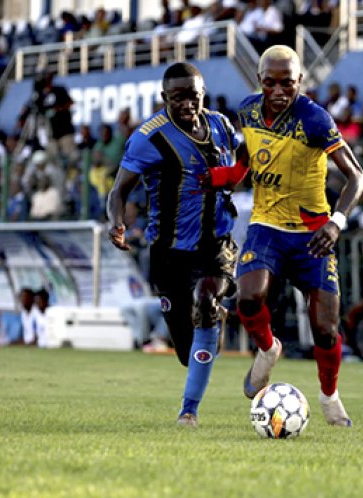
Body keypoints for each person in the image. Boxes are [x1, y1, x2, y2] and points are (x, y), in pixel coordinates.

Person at [208, 46, 363, 427]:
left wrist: (336, 223)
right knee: (248, 297)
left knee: (325, 330)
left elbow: (357, 176)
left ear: (300, 81)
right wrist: (212, 179)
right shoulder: (248, 111)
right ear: (259, 80)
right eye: (270, 83)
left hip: (313, 235)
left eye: (287, 83)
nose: (279, 91)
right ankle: (267, 349)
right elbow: (247, 163)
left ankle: (329, 397)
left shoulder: (314, 118)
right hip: (267, 226)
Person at [107, 62, 240, 428]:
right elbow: (119, 190)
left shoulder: (221, 126)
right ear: (164, 97)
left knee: (206, 299)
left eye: (193, 96)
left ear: (203, 93)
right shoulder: (149, 138)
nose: (187, 104)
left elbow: (238, 171)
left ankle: (188, 411)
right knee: (186, 351)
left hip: (215, 245)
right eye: (178, 97)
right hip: (169, 254)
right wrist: (116, 222)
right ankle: (208, 324)